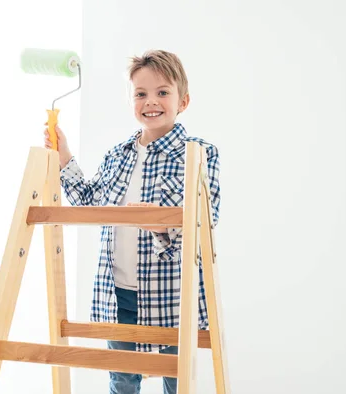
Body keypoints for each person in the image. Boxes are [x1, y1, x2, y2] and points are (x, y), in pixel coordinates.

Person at [43, 49, 221, 394]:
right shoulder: (118, 154)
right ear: (131, 101)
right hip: (119, 291)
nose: (151, 101)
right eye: (141, 94)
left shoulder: (198, 153)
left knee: (176, 376)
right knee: (122, 377)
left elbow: (207, 221)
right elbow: (91, 201)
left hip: (172, 291)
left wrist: (161, 224)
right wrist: (63, 155)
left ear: (182, 101)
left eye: (162, 92)